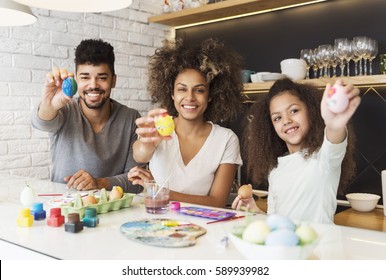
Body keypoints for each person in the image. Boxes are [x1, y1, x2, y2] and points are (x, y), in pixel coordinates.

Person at [128, 38, 245, 208]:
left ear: (210, 95)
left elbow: (217, 201)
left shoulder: (226, 139)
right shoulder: (159, 128)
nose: (190, 97)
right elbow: (140, 155)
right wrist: (147, 144)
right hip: (156, 222)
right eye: (182, 89)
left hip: (202, 226)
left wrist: (161, 192)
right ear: (172, 94)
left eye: (199, 90)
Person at [232, 78, 360, 224]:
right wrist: (255, 211)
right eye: (277, 118)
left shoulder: (324, 159)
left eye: (293, 111)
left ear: (310, 111)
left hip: (320, 246)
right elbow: (275, 221)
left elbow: (334, 139)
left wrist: (334, 124)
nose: (286, 120)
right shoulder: (275, 170)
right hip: (286, 245)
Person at [31, 38, 146, 193]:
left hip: (114, 212)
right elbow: (41, 123)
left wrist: (100, 183)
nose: (93, 85)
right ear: (76, 79)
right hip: (62, 209)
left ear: (114, 81)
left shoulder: (130, 118)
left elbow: (137, 182)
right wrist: (49, 104)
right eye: (85, 77)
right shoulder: (64, 110)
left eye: (102, 77)